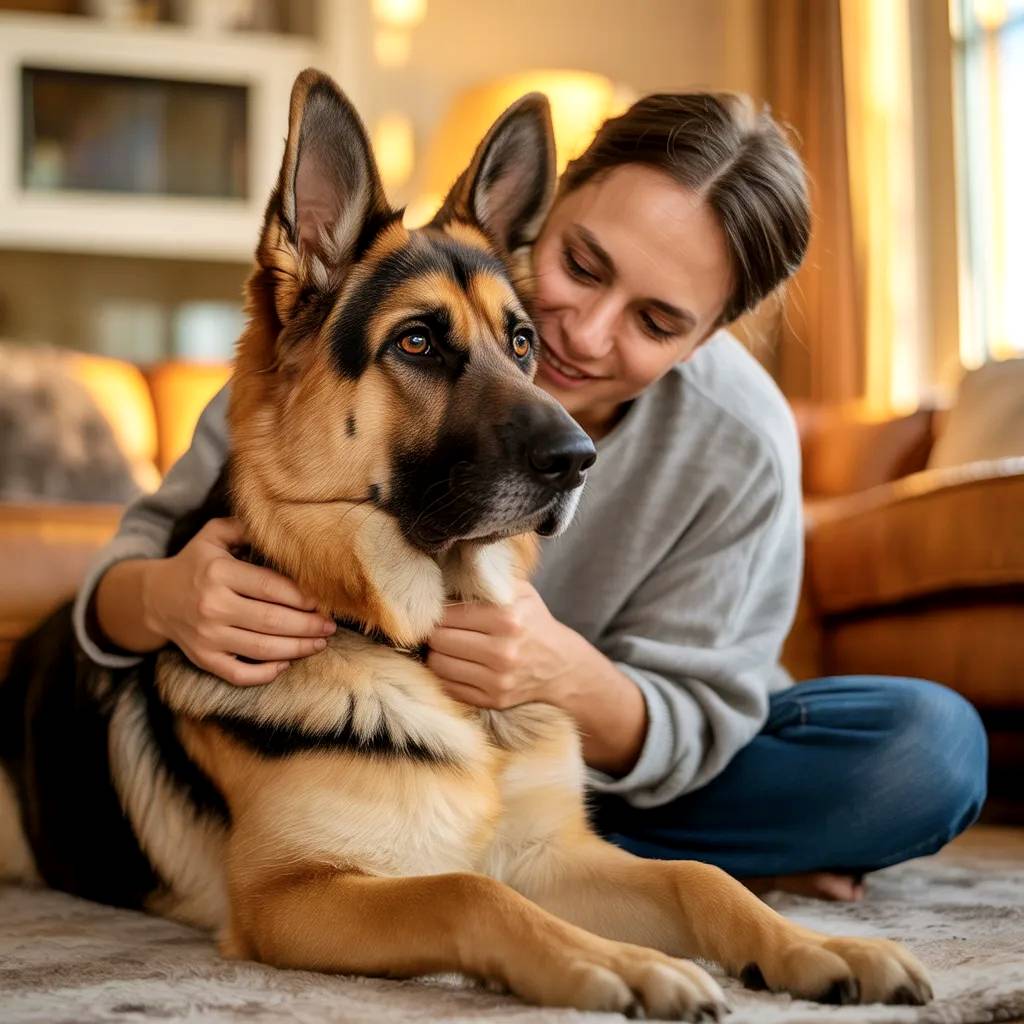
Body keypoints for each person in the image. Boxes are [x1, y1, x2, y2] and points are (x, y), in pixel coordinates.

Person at [73, 93, 987, 901]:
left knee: (928, 748)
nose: (581, 334)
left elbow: (707, 717)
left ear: (708, 338)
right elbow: (131, 567)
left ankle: (524, 851)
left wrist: (565, 675)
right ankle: (543, 856)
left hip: (610, 761)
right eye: (582, 265)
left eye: (657, 320)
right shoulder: (352, 346)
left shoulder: (737, 440)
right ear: (539, 215)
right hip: (376, 735)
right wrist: (168, 598)